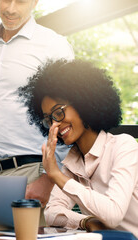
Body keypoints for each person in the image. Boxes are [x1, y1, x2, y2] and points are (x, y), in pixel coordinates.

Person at [0, 0, 74, 208]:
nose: (11, 9)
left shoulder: (54, 45)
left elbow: (69, 119)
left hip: (31, 175)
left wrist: (49, 179)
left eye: (20, 1)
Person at [18, 59, 138, 237]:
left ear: (83, 103)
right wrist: (85, 222)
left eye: (59, 112)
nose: (55, 124)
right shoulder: (72, 162)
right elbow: (52, 212)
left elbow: (113, 214)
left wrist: (56, 175)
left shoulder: (124, 146)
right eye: (49, 119)